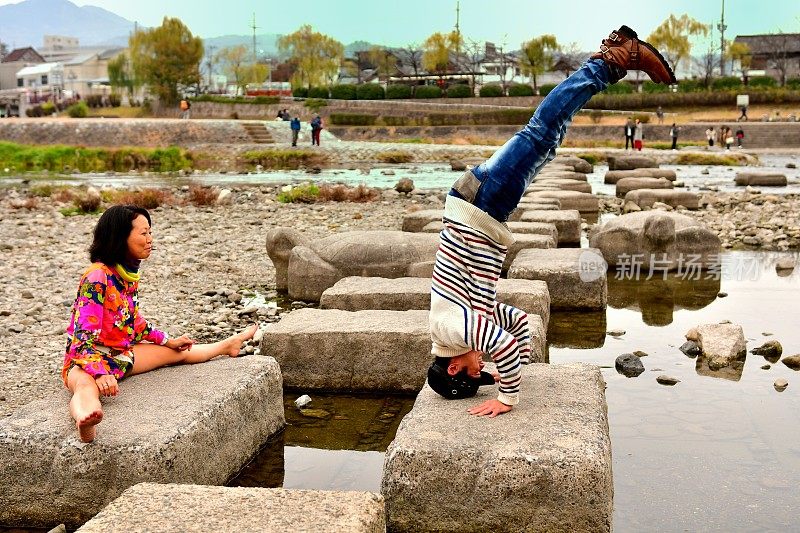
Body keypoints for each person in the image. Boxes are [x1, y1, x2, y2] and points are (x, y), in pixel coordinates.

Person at [426, 25, 675, 418]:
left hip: (478, 208)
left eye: (476, 372)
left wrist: (508, 396)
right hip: (481, 211)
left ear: (454, 365)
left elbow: (502, 347)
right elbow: (519, 324)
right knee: (548, 138)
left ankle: (613, 59)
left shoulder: (453, 332)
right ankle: (612, 59)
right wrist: (517, 366)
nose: (483, 368)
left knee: (540, 130)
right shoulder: (463, 325)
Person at [63, 205, 258, 443]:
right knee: (85, 385)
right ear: (120, 237)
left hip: (121, 356)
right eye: (143, 233)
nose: (150, 240)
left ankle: (228, 345)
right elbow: (81, 342)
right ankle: (86, 420)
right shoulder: (97, 277)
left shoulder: (126, 275)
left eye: (150, 233)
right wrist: (100, 373)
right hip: (86, 361)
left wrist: (167, 340)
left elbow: (133, 322)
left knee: (177, 353)